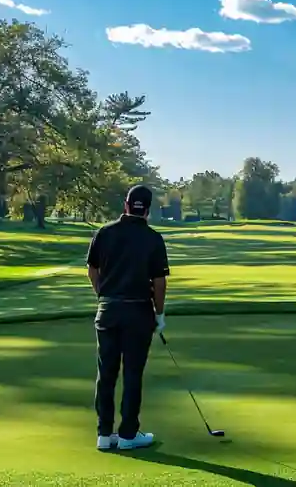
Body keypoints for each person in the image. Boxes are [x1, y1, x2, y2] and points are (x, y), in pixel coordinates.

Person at [85, 184, 170, 451]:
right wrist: (159, 314)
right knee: (132, 374)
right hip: (138, 312)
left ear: (126, 204)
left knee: (106, 373)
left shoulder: (104, 232)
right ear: (147, 209)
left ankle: (104, 434)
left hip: (107, 311)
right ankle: (127, 436)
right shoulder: (153, 238)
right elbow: (159, 282)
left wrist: (105, 296)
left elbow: (92, 270)